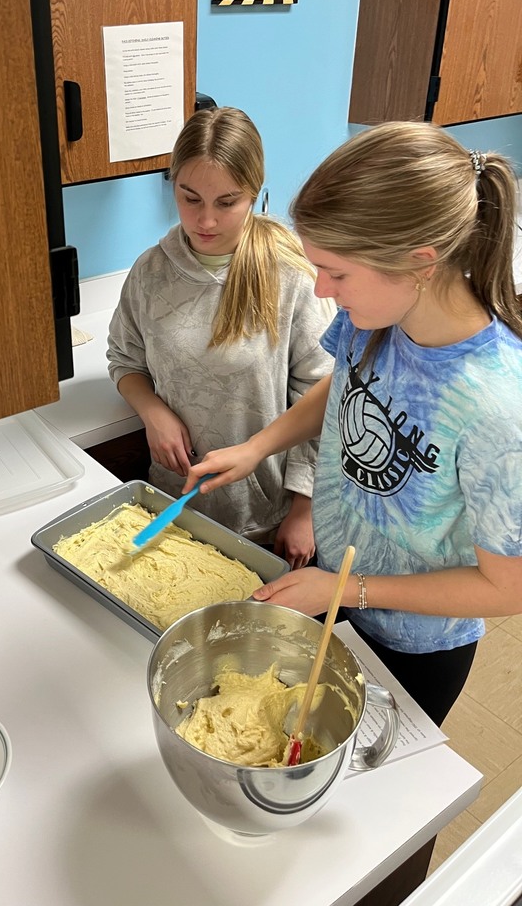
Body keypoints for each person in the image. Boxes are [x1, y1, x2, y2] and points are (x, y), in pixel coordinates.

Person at [183, 120, 522, 725]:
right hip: (337, 585)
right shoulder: (378, 318)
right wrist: (258, 446)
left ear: (421, 263)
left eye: (336, 273)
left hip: (411, 638)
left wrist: (352, 590)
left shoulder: (497, 407)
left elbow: (507, 587)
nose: (320, 288)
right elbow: (341, 384)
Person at [107, 106, 334, 566]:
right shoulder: (151, 272)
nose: (205, 221)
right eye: (190, 198)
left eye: (226, 202)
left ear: (254, 194)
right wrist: (153, 413)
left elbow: (324, 394)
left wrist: (304, 507)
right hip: (176, 503)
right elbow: (124, 360)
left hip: (266, 512)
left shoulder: (290, 274)